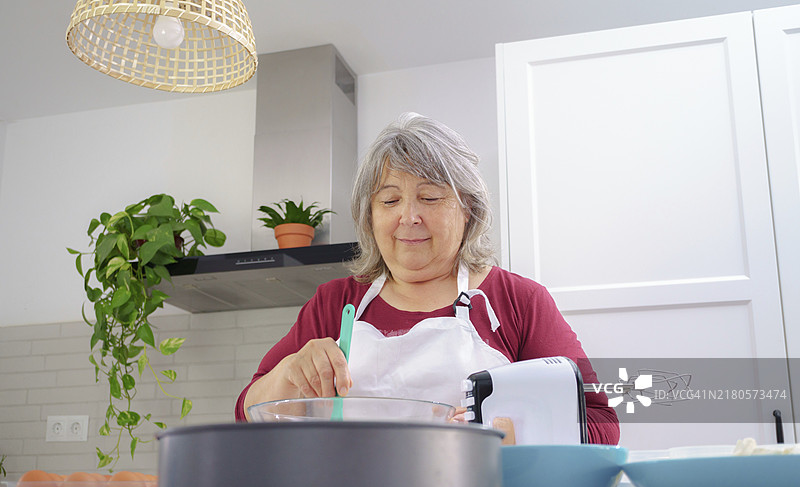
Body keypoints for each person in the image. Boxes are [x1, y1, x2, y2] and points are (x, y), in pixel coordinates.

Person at [235, 113, 619, 445]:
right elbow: (246, 413)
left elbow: (601, 423)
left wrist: (505, 431)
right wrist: (290, 373)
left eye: (430, 197)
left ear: (467, 208)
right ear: (369, 216)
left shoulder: (518, 301)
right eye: (389, 200)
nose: (409, 216)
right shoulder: (335, 303)